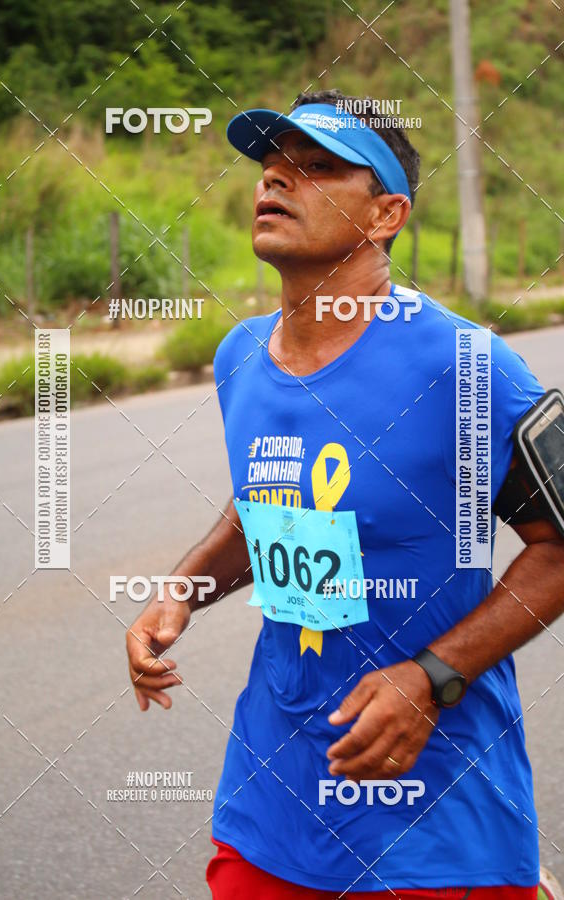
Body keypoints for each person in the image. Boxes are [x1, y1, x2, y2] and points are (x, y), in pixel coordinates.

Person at [126, 90, 564, 899]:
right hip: (269, 809)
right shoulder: (239, 356)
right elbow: (267, 505)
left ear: (386, 214)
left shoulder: (466, 365)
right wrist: (181, 591)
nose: (275, 180)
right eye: (271, 166)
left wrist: (430, 677)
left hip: (436, 828)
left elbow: (559, 548)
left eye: (317, 166)